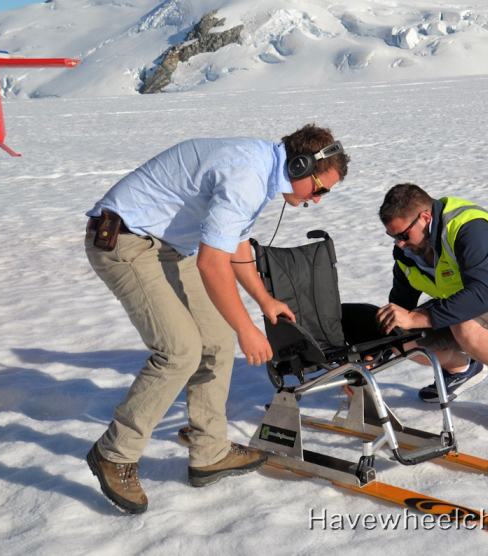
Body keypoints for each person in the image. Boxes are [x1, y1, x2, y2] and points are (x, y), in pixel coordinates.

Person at [83, 124, 350, 514]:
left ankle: (209, 452)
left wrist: (264, 300)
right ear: (300, 166)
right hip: (125, 240)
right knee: (179, 351)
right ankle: (115, 454)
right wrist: (247, 328)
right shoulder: (247, 175)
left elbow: (234, 244)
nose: (318, 199)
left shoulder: (262, 172)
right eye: (320, 188)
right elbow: (211, 264)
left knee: (218, 341)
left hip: (168, 247)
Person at [375, 183, 488, 433]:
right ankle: (460, 370)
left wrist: (418, 318)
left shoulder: (469, 228)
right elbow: (400, 306)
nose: (399, 244)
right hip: (473, 310)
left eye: (403, 235)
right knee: (402, 338)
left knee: (465, 324)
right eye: (393, 237)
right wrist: (374, 356)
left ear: (426, 218)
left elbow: (482, 296)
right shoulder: (408, 253)